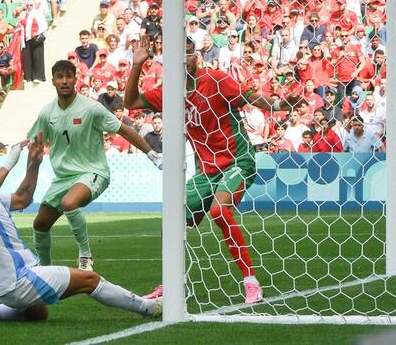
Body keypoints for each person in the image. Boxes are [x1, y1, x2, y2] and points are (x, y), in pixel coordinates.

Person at [123, 36, 304, 304]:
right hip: (206, 171)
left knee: (219, 211)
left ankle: (251, 282)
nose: (187, 58)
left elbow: (252, 98)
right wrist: (137, 64)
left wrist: (280, 105)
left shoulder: (216, 80)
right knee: (172, 220)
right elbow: (131, 103)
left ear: (197, 55)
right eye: (180, 54)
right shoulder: (171, 92)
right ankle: (171, 282)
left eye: (190, 53)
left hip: (238, 161)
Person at [0, 137, 162, 323]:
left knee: (37, 314)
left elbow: (22, 199)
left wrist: (33, 163)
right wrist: (9, 162)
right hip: (16, 278)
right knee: (89, 280)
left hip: (6, 280)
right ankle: (151, 307)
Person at [27, 60, 160, 271]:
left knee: (70, 203)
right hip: (63, 178)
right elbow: (34, 146)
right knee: (40, 224)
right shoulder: (46, 113)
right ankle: (44, 271)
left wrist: (151, 153)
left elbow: (123, 129)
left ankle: (85, 256)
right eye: (59, 77)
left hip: (93, 171)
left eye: (68, 76)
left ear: (75, 79)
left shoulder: (91, 108)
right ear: (52, 81)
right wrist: (28, 180)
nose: (64, 81)